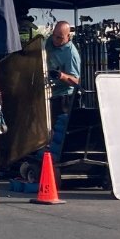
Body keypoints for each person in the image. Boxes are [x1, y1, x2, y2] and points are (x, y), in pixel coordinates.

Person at [45, 21, 82, 158]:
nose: (55, 40)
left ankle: (57, 157)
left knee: (59, 130)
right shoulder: (50, 42)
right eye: (54, 36)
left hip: (64, 97)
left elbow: (76, 81)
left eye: (59, 38)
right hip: (49, 93)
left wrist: (61, 75)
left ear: (68, 37)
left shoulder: (71, 54)